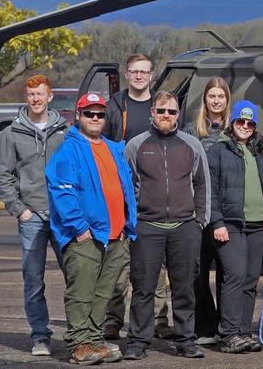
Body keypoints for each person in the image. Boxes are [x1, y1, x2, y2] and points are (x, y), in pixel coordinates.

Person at [46, 93, 136, 365]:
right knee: (81, 293)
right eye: (89, 113)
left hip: (115, 235)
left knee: (104, 293)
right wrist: (79, 228)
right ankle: (78, 344)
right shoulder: (68, 150)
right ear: (78, 116)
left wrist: (126, 225)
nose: (95, 119)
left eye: (99, 114)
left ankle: (95, 340)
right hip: (86, 236)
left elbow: (126, 188)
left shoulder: (113, 148)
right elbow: (62, 191)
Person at [122, 91, 210, 360]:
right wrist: (132, 223)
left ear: (178, 114)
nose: (166, 116)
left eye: (171, 112)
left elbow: (203, 185)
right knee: (143, 288)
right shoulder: (136, 145)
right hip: (148, 227)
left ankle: (186, 340)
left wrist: (199, 223)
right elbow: (128, 188)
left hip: (185, 227)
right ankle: (138, 341)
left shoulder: (192, 145)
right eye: (161, 111)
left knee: (184, 289)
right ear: (152, 112)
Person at [0, 75, 69, 356]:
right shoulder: (12, 134)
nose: (36, 99)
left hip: (64, 217)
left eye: (40, 94)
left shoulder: (67, 130)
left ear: (50, 96)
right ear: (25, 98)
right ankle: (41, 336)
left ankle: (79, 333)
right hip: (32, 217)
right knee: (34, 279)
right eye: (31, 95)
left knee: (75, 276)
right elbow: (3, 176)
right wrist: (20, 210)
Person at [207, 100, 263, 354]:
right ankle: (229, 334)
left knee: (250, 279)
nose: (245, 126)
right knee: (234, 276)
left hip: (260, 227)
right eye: (240, 121)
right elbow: (209, 191)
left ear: (255, 126)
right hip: (229, 226)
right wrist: (217, 222)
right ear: (232, 122)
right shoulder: (218, 151)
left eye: (250, 123)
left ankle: (243, 332)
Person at [102, 53, 173, 341]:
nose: (139, 76)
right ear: (127, 74)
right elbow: (101, 145)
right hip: (119, 194)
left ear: (151, 74)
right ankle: (112, 320)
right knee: (118, 262)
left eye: (144, 72)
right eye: (134, 71)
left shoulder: (162, 104)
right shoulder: (114, 107)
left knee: (154, 262)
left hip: (153, 194)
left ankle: (159, 319)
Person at [181, 77, 231, 345]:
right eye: (211, 96)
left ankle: (227, 324)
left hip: (227, 213)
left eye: (220, 96)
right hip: (199, 213)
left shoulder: (236, 129)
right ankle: (205, 325)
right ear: (205, 99)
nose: (215, 101)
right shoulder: (191, 131)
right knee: (198, 274)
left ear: (226, 100)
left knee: (227, 272)